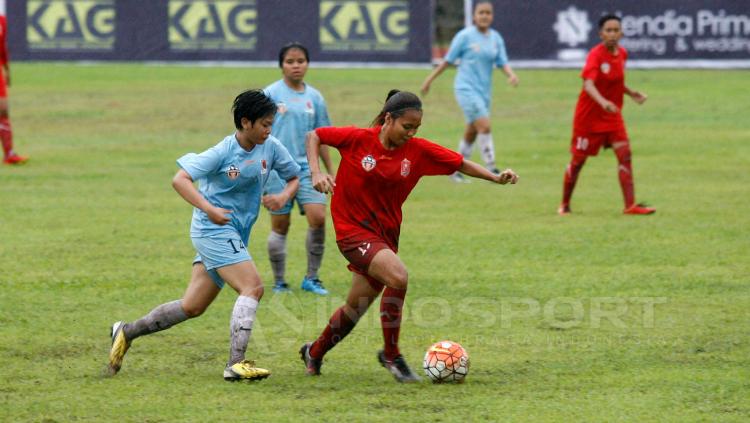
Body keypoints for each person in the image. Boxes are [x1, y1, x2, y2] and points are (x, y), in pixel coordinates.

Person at [298, 90, 518, 382]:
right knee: (398, 277)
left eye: (416, 128)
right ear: (388, 119)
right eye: (407, 126)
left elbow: (459, 163)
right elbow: (315, 135)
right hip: (352, 232)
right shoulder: (358, 139)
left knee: (357, 305)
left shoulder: (417, 151)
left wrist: (494, 176)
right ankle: (392, 355)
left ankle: (314, 351)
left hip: (384, 237)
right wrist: (316, 172)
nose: (411, 133)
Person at [107, 89, 301, 381]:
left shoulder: (271, 147)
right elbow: (180, 180)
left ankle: (127, 331)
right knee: (253, 287)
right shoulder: (223, 151)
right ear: (246, 122)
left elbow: (294, 176)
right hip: (212, 229)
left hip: (233, 232)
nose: (269, 129)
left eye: (271, 123)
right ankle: (236, 364)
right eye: (264, 124)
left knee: (192, 306)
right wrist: (209, 208)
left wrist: (283, 195)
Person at [559, 14, 655, 215]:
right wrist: (603, 102)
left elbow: (616, 81)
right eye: (608, 30)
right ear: (600, 34)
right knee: (578, 162)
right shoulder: (595, 55)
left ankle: (630, 206)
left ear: (621, 33)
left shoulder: (622, 54)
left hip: (612, 116)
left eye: (615, 30)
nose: (612, 34)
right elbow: (588, 84)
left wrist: (631, 93)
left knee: (625, 155)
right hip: (589, 118)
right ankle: (564, 205)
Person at [263, 43, 334, 295]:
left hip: (309, 169)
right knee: (280, 225)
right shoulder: (270, 94)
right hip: (277, 171)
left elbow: (322, 136)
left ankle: (312, 278)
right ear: (281, 65)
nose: (296, 65)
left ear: (308, 63)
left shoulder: (314, 98)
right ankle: (279, 281)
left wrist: (329, 170)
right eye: (290, 61)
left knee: (318, 218)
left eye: (301, 61)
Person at [420, 0, 517, 183]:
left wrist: (511, 75)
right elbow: (447, 61)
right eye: (481, 13)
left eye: (488, 13)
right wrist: (429, 80)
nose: (484, 16)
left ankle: (454, 170)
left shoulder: (495, 38)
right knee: (485, 126)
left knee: (472, 131)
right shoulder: (464, 36)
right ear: (474, 16)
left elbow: (502, 62)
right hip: (465, 88)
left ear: (492, 16)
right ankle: (492, 168)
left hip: (484, 92)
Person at [0, 14, 27, 165]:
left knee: (3, 110)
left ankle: (9, 154)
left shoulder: (2, 20)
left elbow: (2, 47)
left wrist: (7, 69)